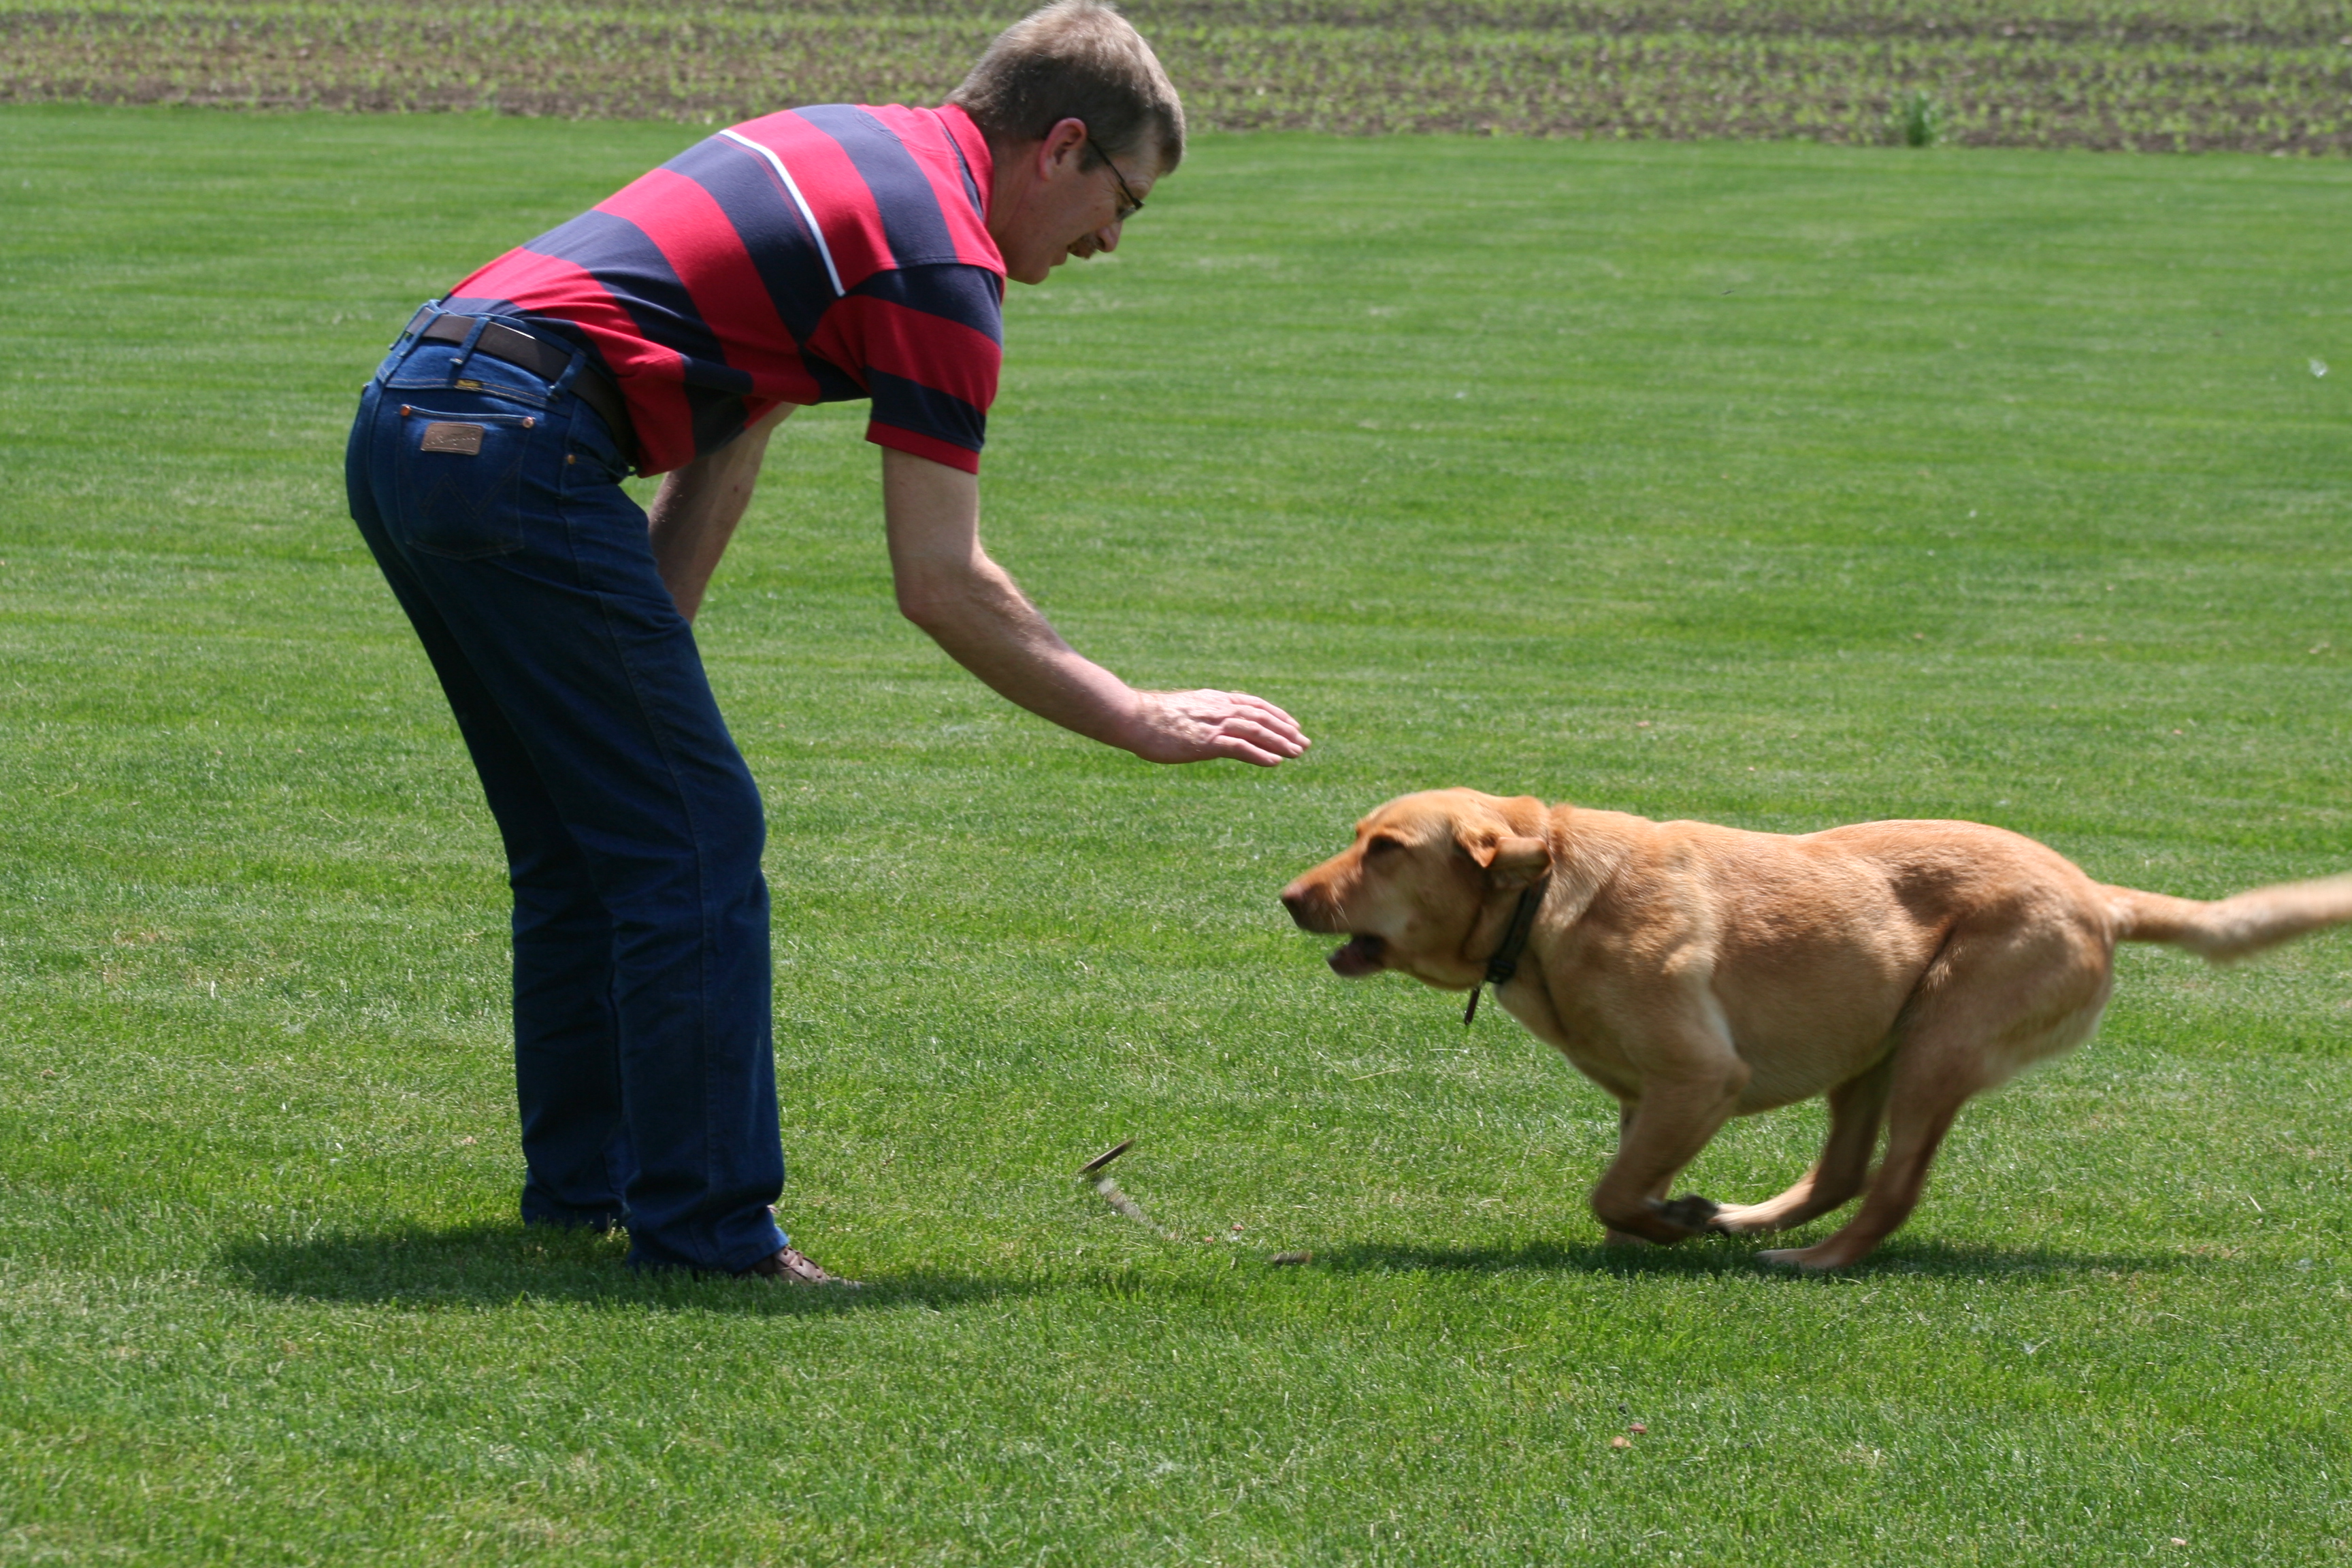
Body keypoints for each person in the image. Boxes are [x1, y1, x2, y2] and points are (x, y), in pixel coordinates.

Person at [342, 0, 1307, 1285]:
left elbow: (732, 424)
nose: (1109, 241)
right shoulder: (938, 260)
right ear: (1062, 146)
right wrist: (1132, 714)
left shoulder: (857, 146)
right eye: (1122, 200)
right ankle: (710, 1238)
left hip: (415, 416)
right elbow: (941, 581)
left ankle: (586, 1198)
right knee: (696, 837)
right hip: (518, 447)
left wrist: (650, 652)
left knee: (598, 837)